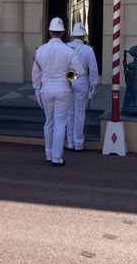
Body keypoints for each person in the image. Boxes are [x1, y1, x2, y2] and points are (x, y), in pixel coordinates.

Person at [31, 17, 74, 166]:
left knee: (48, 122)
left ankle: (48, 153)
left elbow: (35, 76)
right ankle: (57, 157)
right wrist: (69, 79)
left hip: (46, 89)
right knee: (60, 124)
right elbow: (78, 71)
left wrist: (37, 91)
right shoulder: (68, 50)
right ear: (62, 32)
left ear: (49, 32)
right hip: (62, 89)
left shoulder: (40, 50)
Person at [65, 22, 99, 152]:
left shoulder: (66, 47)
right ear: (83, 35)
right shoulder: (88, 49)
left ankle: (69, 142)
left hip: (69, 79)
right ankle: (78, 143)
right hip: (82, 81)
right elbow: (93, 70)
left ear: (73, 35)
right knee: (80, 113)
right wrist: (92, 88)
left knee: (69, 112)